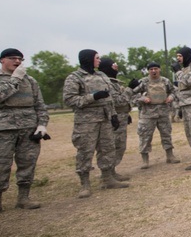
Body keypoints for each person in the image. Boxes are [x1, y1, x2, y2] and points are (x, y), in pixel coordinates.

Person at [0, 48, 49, 218]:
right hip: (3, 128)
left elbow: (39, 104)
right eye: (13, 58)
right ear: (2, 60)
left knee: (27, 162)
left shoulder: (30, 80)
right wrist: (15, 78)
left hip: (28, 127)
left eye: (20, 59)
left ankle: (24, 198)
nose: (17, 61)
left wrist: (42, 125)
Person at [63, 50, 128, 197]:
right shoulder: (75, 78)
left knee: (108, 149)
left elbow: (110, 98)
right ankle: (85, 184)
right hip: (86, 122)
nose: (99, 61)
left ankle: (108, 179)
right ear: (88, 59)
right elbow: (70, 100)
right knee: (85, 151)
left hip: (105, 119)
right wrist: (93, 97)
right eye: (97, 58)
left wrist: (113, 115)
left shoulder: (102, 76)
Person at [133, 62, 180, 168]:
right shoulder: (143, 82)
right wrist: (142, 99)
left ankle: (170, 156)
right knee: (145, 136)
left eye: (155, 69)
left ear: (159, 69)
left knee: (166, 134)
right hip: (147, 114)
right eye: (151, 69)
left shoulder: (165, 81)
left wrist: (171, 97)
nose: (153, 71)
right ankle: (145, 160)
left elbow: (174, 91)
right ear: (148, 71)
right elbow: (132, 94)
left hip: (163, 112)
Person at [98, 57, 133, 176]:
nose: (116, 67)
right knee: (112, 146)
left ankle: (112, 171)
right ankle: (108, 173)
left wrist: (126, 112)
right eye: (114, 65)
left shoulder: (114, 82)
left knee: (119, 146)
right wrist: (130, 89)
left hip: (120, 117)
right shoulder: (106, 83)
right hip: (113, 119)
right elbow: (118, 101)